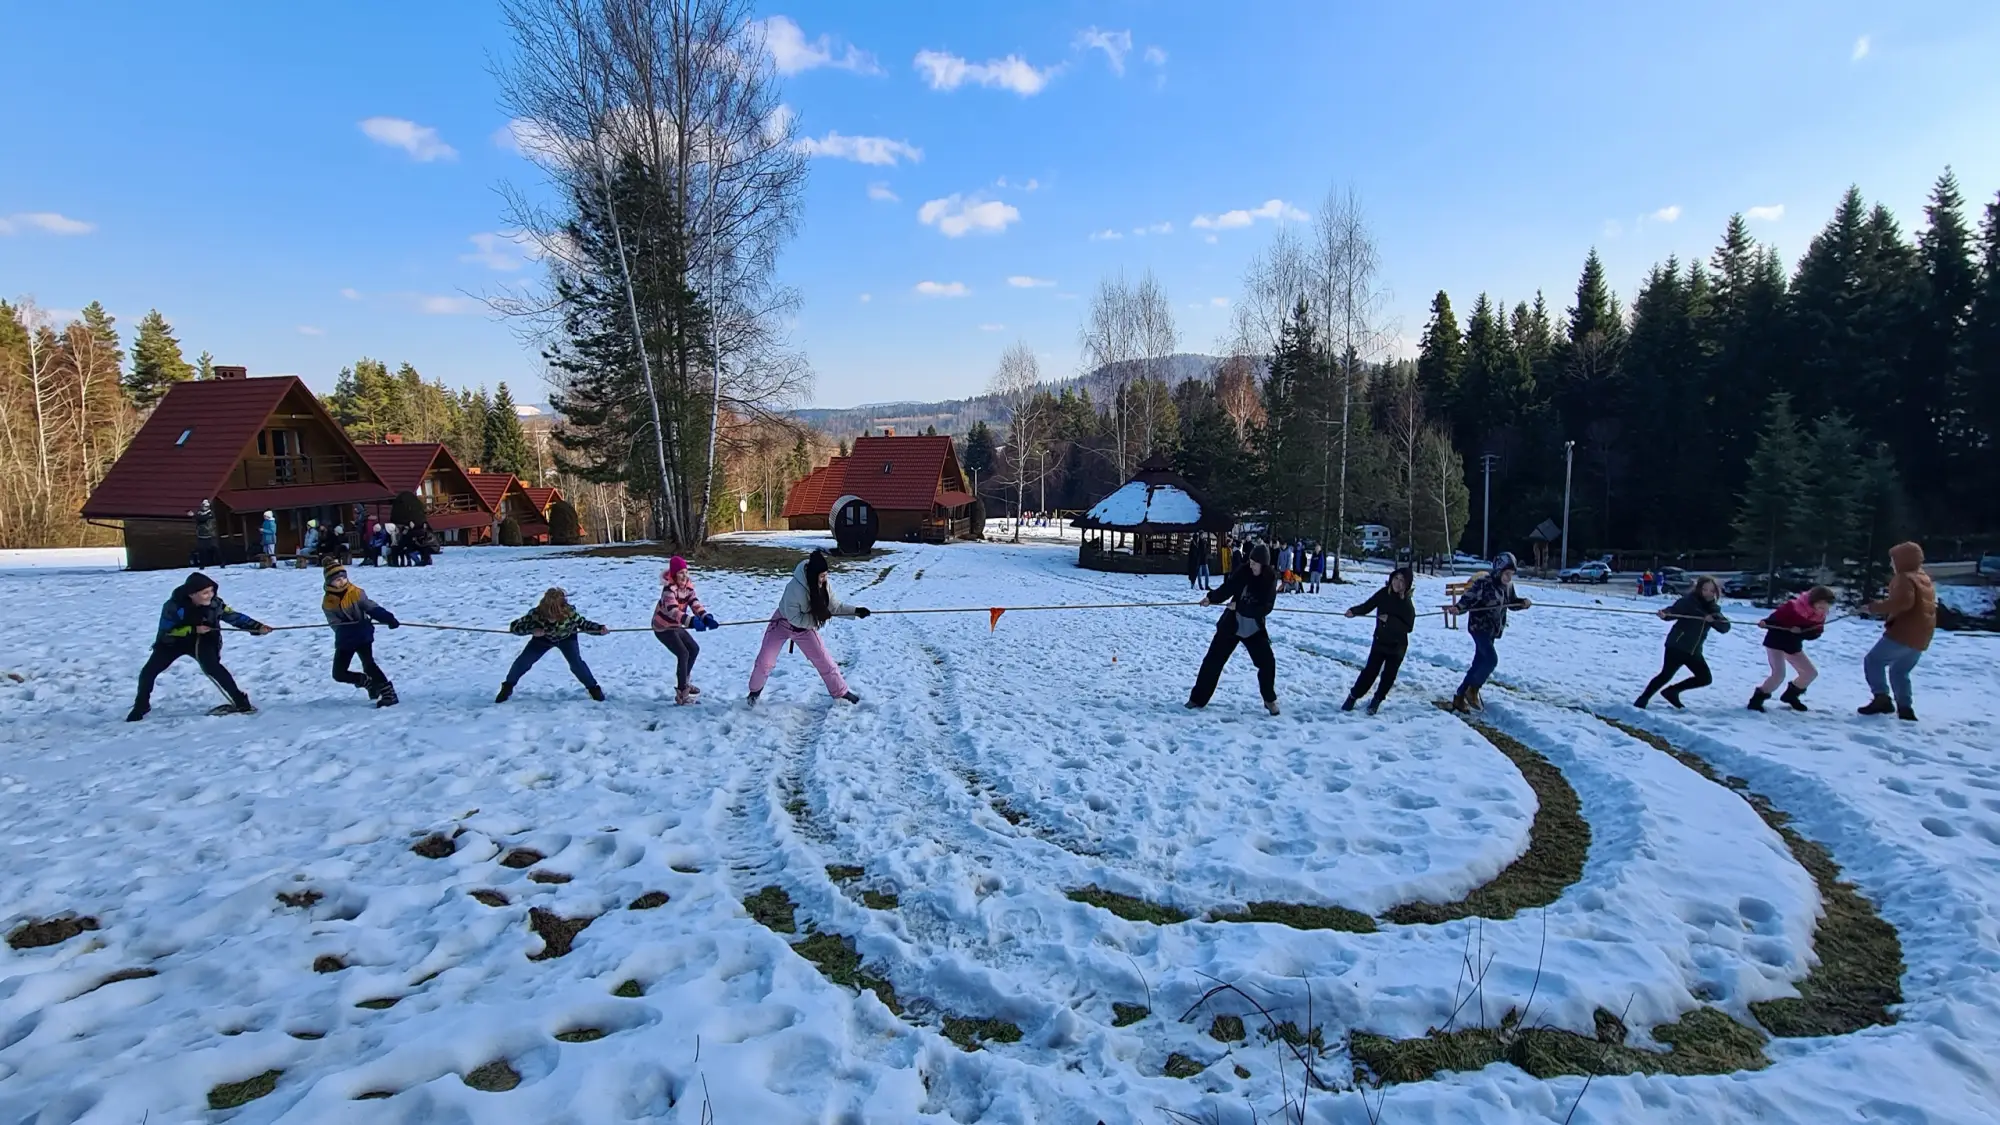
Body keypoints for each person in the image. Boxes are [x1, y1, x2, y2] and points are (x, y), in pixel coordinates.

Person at [127, 572, 271, 721]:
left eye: (211, 591)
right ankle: (141, 705)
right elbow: (167, 631)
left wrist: (257, 627)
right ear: (192, 594)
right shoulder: (173, 606)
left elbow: (234, 617)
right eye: (205, 593)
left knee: (213, 667)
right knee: (149, 671)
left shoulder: (216, 604)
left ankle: (241, 701)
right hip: (173, 642)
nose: (210, 595)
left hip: (205, 640)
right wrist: (193, 629)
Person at [748, 549, 870, 706]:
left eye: (826, 575)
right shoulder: (794, 588)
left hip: (804, 629)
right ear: (812, 576)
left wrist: (856, 611)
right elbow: (795, 618)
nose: (825, 578)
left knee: (825, 661)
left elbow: (834, 607)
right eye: (822, 576)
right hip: (782, 624)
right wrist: (818, 618)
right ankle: (754, 692)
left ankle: (841, 692)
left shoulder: (824, 585)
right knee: (765, 661)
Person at [1186, 543, 1281, 715]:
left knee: (1267, 663)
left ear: (1263, 565)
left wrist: (1241, 607)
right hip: (1231, 625)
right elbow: (1228, 588)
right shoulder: (1243, 571)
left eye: (1255, 563)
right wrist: (1211, 598)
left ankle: (1269, 699)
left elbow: (1265, 608)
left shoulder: (1270, 579)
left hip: (1253, 629)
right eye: (1250, 561)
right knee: (1212, 661)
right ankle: (1197, 699)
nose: (1251, 565)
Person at [1858, 541, 1936, 722]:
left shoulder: (1904, 578)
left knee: (1873, 660)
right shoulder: (1922, 576)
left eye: (1894, 560)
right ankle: (1905, 708)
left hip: (1903, 633)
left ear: (1904, 560)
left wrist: (1874, 607)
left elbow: (1903, 603)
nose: (1892, 564)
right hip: (1922, 636)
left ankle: (1881, 698)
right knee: (1900, 671)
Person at [496, 588, 610, 702]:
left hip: (567, 639)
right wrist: (532, 630)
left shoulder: (570, 613)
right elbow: (514, 627)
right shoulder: (535, 614)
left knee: (576, 664)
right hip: (542, 640)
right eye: (548, 614)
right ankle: (508, 686)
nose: (551, 618)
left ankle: (593, 688)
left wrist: (599, 629)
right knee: (523, 661)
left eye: (554, 615)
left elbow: (584, 624)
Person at [1634, 575, 1731, 709]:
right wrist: (1665, 614)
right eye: (1705, 589)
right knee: (1665, 675)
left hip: (1693, 650)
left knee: (1704, 678)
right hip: (1677, 645)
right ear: (1698, 589)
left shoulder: (1713, 609)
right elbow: (1673, 611)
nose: (1708, 593)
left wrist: (1713, 620)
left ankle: (1672, 692)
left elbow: (1725, 628)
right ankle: (1642, 700)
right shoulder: (1689, 602)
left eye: (1711, 590)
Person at [1451, 552, 1531, 712]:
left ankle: (1460, 697)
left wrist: (1522, 603)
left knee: (1478, 663)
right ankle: (1473, 689)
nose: (1509, 578)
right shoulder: (1484, 582)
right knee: (1491, 659)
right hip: (1479, 628)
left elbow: (1511, 603)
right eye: (1507, 574)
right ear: (1499, 570)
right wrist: (1458, 608)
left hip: (1493, 630)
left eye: (1511, 574)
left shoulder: (1508, 586)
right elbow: (1468, 599)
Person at [321, 559, 400, 707]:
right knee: (339, 673)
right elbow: (334, 623)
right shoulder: (328, 602)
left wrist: (387, 618)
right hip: (345, 639)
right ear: (330, 582)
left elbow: (370, 607)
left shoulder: (356, 593)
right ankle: (367, 682)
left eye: (344, 578)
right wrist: (346, 628)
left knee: (369, 664)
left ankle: (388, 692)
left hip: (363, 634)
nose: (342, 582)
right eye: (337, 580)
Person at [1750, 585, 1835, 712]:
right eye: (1820, 605)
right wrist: (1765, 623)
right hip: (1776, 642)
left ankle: (1791, 695)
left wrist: (1801, 632)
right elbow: (1776, 617)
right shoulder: (1793, 607)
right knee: (1778, 674)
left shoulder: (1820, 616)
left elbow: (1815, 633)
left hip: (1792, 645)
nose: (1823, 609)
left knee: (1810, 673)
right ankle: (1757, 699)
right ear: (1813, 602)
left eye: (1826, 606)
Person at [1344, 566, 1415, 714]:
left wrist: (1390, 620)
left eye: (1402, 580)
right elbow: (1368, 605)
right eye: (1396, 578)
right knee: (1369, 672)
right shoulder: (1384, 594)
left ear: (1407, 584)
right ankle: (1353, 696)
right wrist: (1354, 611)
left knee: (1388, 676)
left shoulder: (1407, 604)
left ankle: (1377, 699)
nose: (1397, 583)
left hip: (1397, 646)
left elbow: (1409, 627)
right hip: (1380, 640)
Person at [653, 556, 715, 706]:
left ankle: (685, 681)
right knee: (683, 653)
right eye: (680, 572)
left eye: (686, 572)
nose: (684, 575)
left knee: (694, 648)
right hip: (663, 627)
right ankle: (682, 693)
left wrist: (706, 617)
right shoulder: (669, 591)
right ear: (674, 574)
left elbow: (695, 603)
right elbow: (674, 612)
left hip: (675, 625)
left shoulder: (688, 587)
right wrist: (692, 621)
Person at [191, 499, 222, 568]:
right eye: (203, 506)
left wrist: (193, 515)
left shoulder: (210, 514)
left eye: (205, 506)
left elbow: (203, 519)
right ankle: (202, 565)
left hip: (210, 535)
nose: (203, 507)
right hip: (201, 536)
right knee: (201, 551)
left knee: (216, 549)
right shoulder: (199, 513)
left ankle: (221, 563)